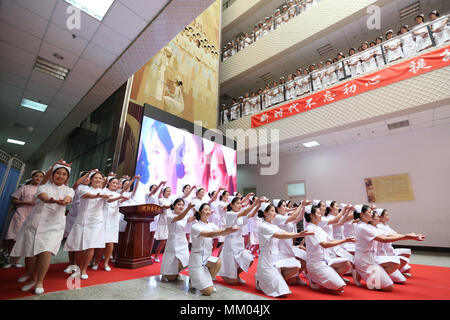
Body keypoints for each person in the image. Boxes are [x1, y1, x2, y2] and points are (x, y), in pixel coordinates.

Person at [11, 162, 74, 295]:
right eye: (58, 173)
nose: (60, 176)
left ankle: (39, 281)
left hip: (54, 225)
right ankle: (31, 277)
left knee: (46, 251)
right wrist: (52, 200)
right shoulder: (43, 186)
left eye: (64, 174)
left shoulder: (69, 190)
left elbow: (68, 199)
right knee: (32, 252)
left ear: (67, 177)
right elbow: (44, 197)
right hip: (36, 222)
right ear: (52, 174)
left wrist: (65, 201)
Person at [352, 205, 425, 291]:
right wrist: (407, 237)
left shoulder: (369, 226)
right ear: (361, 214)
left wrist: (411, 236)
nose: (372, 214)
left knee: (395, 264)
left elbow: (388, 235)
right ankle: (362, 273)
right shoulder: (363, 227)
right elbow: (384, 239)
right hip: (364, 260)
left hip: (372, 257)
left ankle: (374, 276)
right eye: (370, 212)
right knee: (389, 287)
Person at [255, 202, 314, 297]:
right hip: (266, 259)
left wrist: (299, 234)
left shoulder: (273, 226)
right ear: (265, 213)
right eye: (272, 211)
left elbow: (284, 233)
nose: (274, 213)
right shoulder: (263, 226)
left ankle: (272, 279)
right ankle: (260, 279)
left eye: (275, 211)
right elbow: (280, 235)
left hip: (275, 257)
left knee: (294, 268)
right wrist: (299, 234)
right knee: (279, 292)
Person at [64, 171, 111, 279]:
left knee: (91, 245)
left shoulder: (103, 191)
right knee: (79, 246)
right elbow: (87, 196)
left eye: (100, 178)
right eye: (96, 178)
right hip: (83, 220)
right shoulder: (84, 188)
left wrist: (109, 196)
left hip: (97, 221)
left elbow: (108, 199)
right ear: (90, 179)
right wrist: (98, 195)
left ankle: (84, 270)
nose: (98, 180)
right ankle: (77, 267)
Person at [189, 203, 239, 295]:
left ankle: (207, 280)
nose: (208, 212)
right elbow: (210, 234)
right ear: (200, 212)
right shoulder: (195, 226)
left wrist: (228, 231)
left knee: (217, 262)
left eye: (209, 210)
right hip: (197, 260)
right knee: (208, 292)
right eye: (205, 210)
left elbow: (220, 233)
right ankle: (194, 279)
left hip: (207, 258)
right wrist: (225, 231)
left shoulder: (211, 224)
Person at [304, 205, 355, 292]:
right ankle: (314, 278)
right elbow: (325, 244)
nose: (321, 215)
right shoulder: (310, 228)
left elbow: (331, 240)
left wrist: (346, 240)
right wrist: (344, 241)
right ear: (311, 215)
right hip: (315, 263)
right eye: (319, 213)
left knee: (346, 264)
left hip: (325, 260)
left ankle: (329, 277)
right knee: (339, 286)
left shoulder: (318, 228)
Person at [4, 170, 44, 271]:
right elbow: (14, 199)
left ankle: (16, 261)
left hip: (34, 215)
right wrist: (26, 201)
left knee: (25, 239)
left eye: (40, 177)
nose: (38, 178)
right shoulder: (24, 188)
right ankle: (10, 259)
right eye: (36, 176)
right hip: (21, 214)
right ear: (32, 177)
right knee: (14, 238)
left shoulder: (42, 190)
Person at [217, 196, 262, 284]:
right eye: (237, 203)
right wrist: (255, 203)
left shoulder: (239, 215)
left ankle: (236, 275)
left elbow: (251, 215)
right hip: (230, 243)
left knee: (249, 259)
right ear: (231, 205)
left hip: (239, 242)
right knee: (233, 279)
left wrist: (258, 205)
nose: (240, 205)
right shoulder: (229, 214)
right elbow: (245, 212)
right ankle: (226, 275)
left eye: (240, 203)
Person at [377, 208, 424, 278]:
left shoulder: (385, 226)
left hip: (389, 251)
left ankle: (392, 271)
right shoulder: (378, 226)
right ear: (380, 216)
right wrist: (408, 236)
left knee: (407, 264)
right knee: (401, 279)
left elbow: (395, 234)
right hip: (381, 254)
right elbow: (390, 235)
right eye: (386, 215)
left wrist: (411, 236)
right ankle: (386, 273)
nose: (388, 216)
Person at [160, 198, 196, 281]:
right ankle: (167, 273)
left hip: (182, 240)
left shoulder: (185, 216)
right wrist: (188, 208)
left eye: (183, 205)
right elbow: (180, 217)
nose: (181, 206)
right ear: (173, 206)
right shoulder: (169, 215)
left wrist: (198, 210)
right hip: (173, 240)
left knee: (186, 259)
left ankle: (177, 272)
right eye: (179, 204)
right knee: (172, 259)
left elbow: (192, 218)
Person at [154, 187, 173, 262]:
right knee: (163, 241)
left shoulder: (171, 200)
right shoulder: (161, 200)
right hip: (163, 222)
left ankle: (166, 256)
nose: (169, 192)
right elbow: (166, 206)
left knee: (168, 240)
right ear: (163, 192)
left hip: (170, 221)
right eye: (167, 191)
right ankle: (156, 256)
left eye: (170, 191)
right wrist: (174, 205)